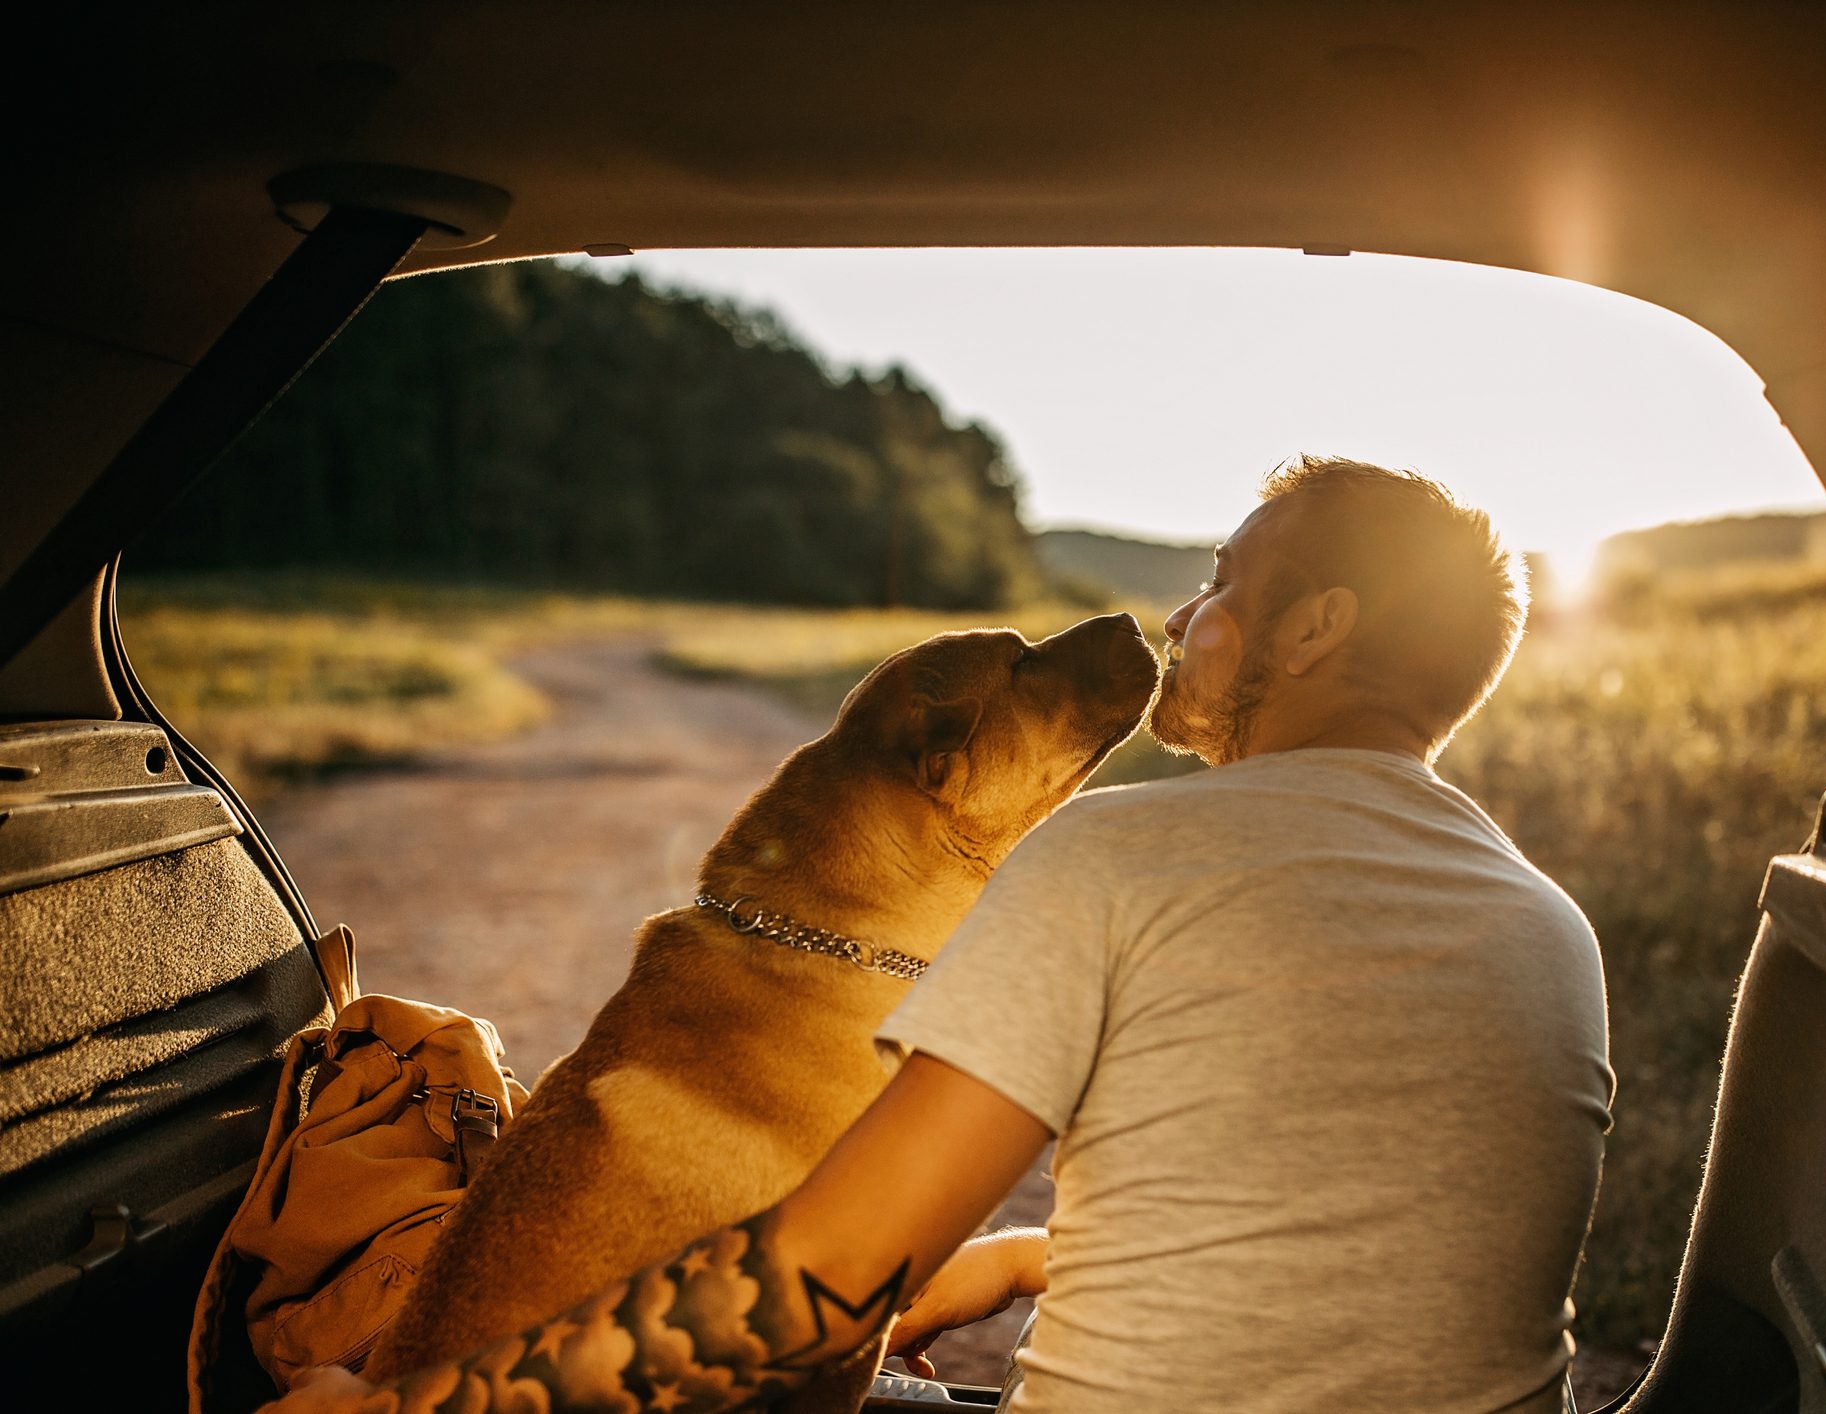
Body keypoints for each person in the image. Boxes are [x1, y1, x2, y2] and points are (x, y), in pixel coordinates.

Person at [265, 456, 1613, 1414]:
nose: (1187, 620)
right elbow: (1316, 1243)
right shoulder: (1548, 923)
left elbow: (818, 1281)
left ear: (1316, 628)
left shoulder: (1116, 856)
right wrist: (1039, 1253)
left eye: (1222, 587)